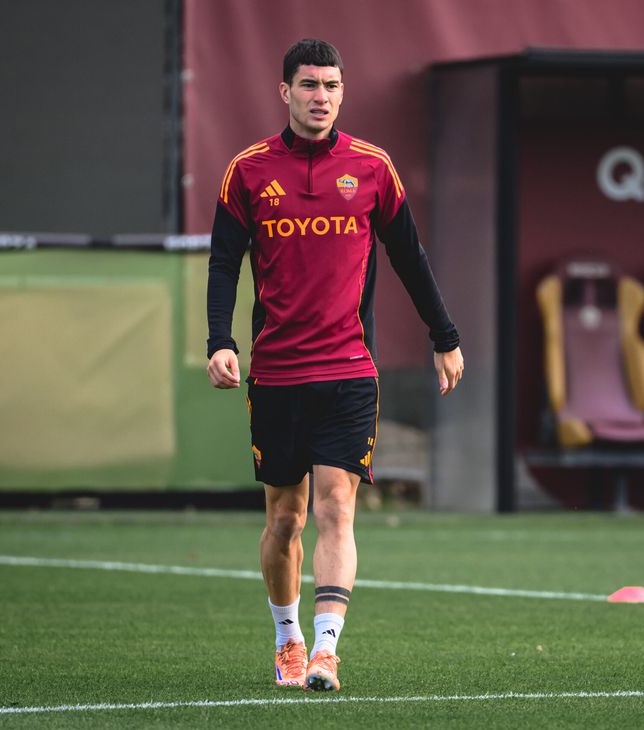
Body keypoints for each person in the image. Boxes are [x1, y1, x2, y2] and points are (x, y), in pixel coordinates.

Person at [205, 38, 463, 692]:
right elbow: (222, 263)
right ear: (284, 91)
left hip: (349, 369)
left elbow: (410, 255)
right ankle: (287, 640)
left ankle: (325, 652)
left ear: (343, 93)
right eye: (310, 85)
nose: (322, 97)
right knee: (284, 519)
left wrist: (444, 334)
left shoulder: (372, 168)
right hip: (277, 374)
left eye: (332, 86)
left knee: (336, 508)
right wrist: (220, 339)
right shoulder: (248, 171)